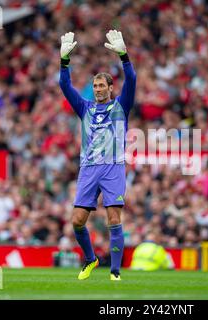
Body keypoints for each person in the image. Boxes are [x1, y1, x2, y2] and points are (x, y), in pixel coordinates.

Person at [59, 30, 137, 281]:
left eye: (102, 85)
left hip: (113, 167)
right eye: (95, 86)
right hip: (89, 167)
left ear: (111, 88)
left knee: (114, 216)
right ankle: (91, 259)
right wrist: (64, 61)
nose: (98, 89)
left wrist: (123, 56)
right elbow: (64, 85)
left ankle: (114, 271)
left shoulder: (121, 105)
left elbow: (133, 79)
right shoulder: (85, 107)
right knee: (77, 221)